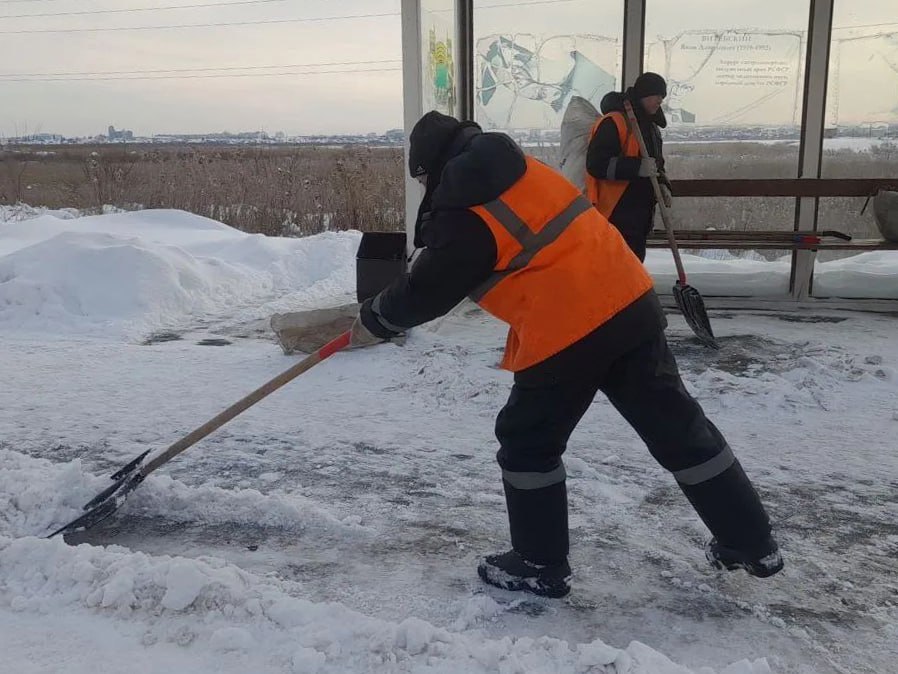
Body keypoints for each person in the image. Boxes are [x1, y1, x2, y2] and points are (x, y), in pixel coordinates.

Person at [349, 110, 783, 598]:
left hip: (569, 326)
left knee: (527, 440)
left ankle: (538, 564)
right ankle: (751, 541)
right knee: (678, 427)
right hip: (629, 300)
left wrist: (377, 317)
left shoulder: (466, 205)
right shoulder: (523, 170)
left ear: (430, 167)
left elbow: (429, 288)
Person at [586, 72, 672, 262]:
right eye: (655, 95)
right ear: (642, 95)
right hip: (616, 210)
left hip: (641, 210)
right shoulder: (614, 122)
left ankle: (633, 292)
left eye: (662, 97)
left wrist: (663, 183)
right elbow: (596, 164)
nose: (659, 101)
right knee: (614, 263)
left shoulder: (651, 127)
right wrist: (636, 167)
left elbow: (657, 163)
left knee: (633, 261)